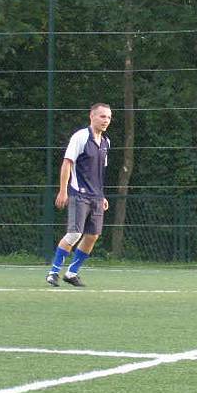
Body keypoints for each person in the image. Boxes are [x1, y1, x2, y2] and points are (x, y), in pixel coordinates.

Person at [46, 103, 112, 287]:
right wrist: (63, 190)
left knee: (93, 235)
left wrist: (102, 195)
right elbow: (67, 163)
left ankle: (71, 273)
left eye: (108, 117)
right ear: (92, 116)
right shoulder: (81, 137)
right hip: (79, 194)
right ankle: (53, 273)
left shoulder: (105, 142)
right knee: (74, 233)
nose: (106, 120)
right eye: (102, 116)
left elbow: (98, 172)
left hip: (96, 196)